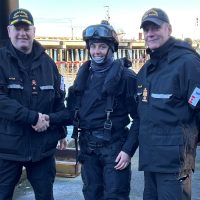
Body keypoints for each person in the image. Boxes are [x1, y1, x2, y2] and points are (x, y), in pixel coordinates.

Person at [65, 20, 138, 200]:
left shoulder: (127, 77)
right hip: (88, 148)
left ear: (111, 49)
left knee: (115, 195)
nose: (96, 51)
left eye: (102, 47)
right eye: (93, 47)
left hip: (114, 147)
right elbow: (70, 111)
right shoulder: (84, 76)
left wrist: (128, 150)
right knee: (91, 193)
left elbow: (140, 118)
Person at [0, 8, 69, 200]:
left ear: (34, 31)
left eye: (26, 28)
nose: (22, 33)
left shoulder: (48, 64)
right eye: (17, 28)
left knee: (45, 195)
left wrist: (61, 130)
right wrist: (32, 117)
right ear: (9, 31)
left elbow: (57, 99)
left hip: (43, 149)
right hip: (7, 149)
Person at [134, 8, 200, 200]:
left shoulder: (187, 63)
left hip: (174, 164)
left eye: (155, 27)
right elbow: (141, 113)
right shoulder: (147, 69)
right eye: (146, 29)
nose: (150, 33)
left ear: (169, 29)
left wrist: (191, 142)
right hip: (150, 161)